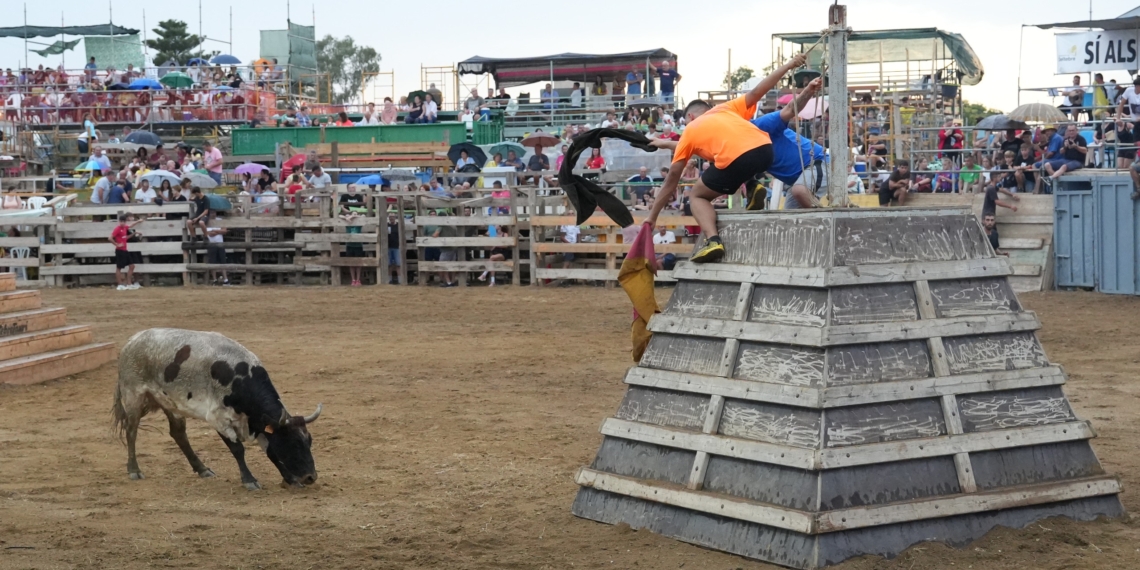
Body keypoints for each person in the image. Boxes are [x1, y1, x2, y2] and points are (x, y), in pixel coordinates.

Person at [642, 54, 808, 263]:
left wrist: (652, 217)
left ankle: (713, 241)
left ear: (690, 117)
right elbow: (759, 90)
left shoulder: (691, 130)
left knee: (697, 196)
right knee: (720, 158)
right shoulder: (725, 109)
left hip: (737, 158)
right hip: (764, 150)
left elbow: (672, 178)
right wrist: (789, 65)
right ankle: (753, 185)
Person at [746, 78, 826, 209]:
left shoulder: (760, 125)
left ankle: (826, 217)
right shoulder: (736, 148)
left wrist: (808, 90)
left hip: (818, 162)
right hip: (796, 181)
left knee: (800, 191)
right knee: (790, 217)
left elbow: (790, 109)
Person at [339, 185, 366, 286]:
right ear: (347, 189)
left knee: (358, 262)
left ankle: (358, 279)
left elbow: (363, 214)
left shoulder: (359, 197)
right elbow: (340, 214)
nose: (352, 189)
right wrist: (348, 216)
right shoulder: (348, 222)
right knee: (351, 262)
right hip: (350, 244)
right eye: (351, 187)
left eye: (354, 187)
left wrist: (354, 215)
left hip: (358, 244)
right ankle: (353, 279)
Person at [110, 214, 143, 290]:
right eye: (121, 221)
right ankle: (120, 284)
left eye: (123, 221)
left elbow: (127, 235)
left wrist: (134, 232)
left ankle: (129, 284)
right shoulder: (117, 229)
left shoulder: (125, 228)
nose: (122, 223)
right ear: (119, 221)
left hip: (125, 250)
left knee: (132, 266)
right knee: (119, 268)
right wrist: (117, 244)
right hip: (120, 250)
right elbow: (110, 238)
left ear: (125, 222)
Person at [204, 214, 230, 286]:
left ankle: (226, 279)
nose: (213, 213)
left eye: (214, 212)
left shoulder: (220, 220)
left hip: (220, 243)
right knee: (212, 262)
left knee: (223, 262)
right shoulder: (206, 221)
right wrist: (219, 231)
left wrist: (214, 230)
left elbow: (224, 231)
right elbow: (209, 233)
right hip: (211, 244)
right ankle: (214, 280)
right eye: (211, 212)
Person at [386, 211, 402, 284]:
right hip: (388, 247)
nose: (391, 218)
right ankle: (389, 280)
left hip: (397, 247)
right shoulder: (386, 225)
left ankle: (400, 280)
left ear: (395, 217)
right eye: (390, 217)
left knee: (398, 264)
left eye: (392, 216)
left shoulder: (398, 225)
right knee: (389, 265)